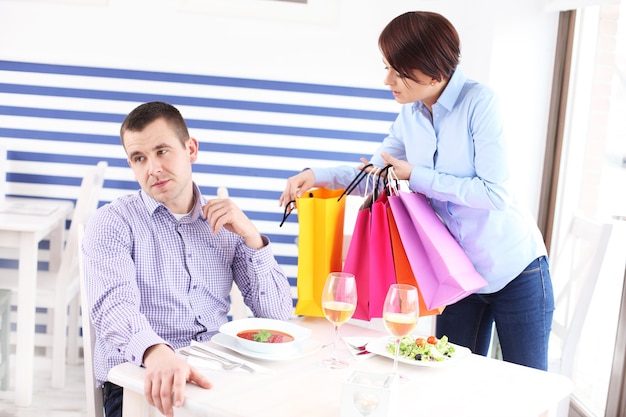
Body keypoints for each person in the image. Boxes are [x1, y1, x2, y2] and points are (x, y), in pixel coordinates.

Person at [279, 11, 554, 371]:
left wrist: (417, 176)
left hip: (516, 271)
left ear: (434, 70)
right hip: (459, 275)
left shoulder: (480, 103)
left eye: (398, 70)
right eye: (387, 67)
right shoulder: (411, 115)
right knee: (449, 379)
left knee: (526, 388)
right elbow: (375, 173)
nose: (387, 80)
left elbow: (495, 193)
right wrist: (317, 175)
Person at [83, 101, 293, 417]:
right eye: (139, 158)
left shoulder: (226, 224)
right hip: (140, 382)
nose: (152, 168)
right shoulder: (112, 223)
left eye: (162, 151)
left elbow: (277, 318)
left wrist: (252, 238)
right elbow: (114, 308)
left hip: (219, 377)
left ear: (190, 149)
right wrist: (156, 352)